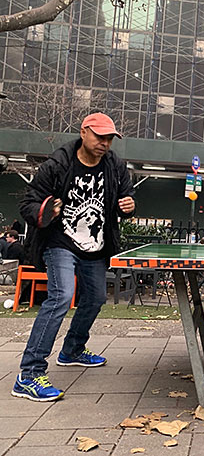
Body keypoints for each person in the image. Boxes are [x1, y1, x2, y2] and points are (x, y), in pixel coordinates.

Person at [13, 112, 135, 402]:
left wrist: (129, 206)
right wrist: (45, 210)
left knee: (95, 298)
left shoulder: (115, 166)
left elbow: (125, 198)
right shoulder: (58, 164)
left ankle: (72, 350)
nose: (104, 143)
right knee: (61, 296)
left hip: (95, 245)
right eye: (99, 136)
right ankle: (28, 375)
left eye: (109, 138)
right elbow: (28, 203)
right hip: (60, 242)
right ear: (84, 132)